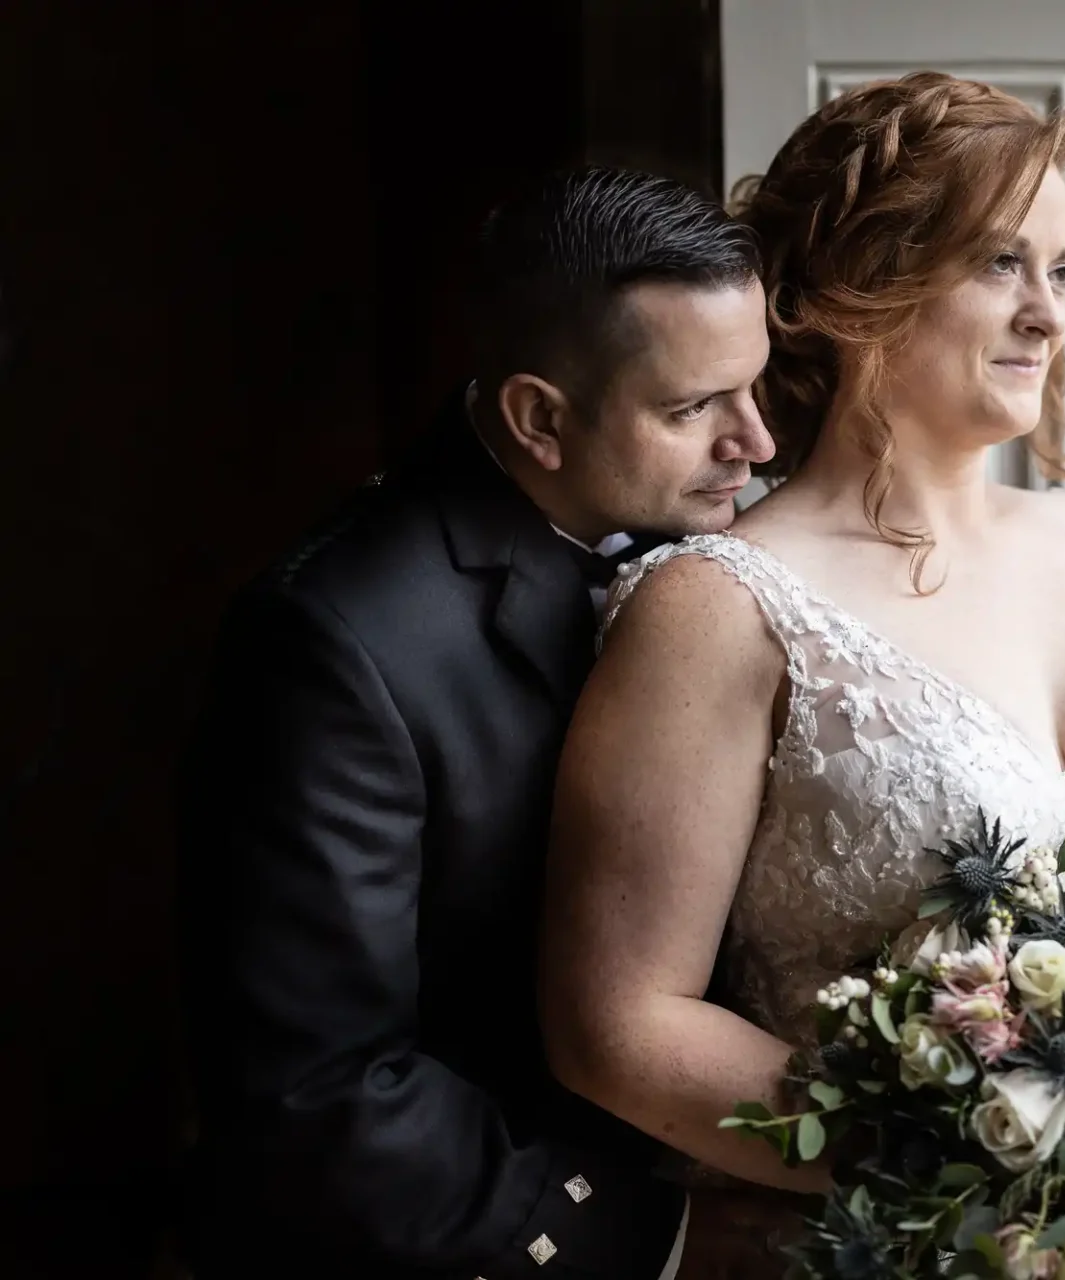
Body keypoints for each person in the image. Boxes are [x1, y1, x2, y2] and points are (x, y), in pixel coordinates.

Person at [541, 74, 1065, 1276]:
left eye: (1062, 270)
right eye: (998, 263)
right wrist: (983, 1141)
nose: (1046, 314)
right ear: (849, 290)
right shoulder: (720, 605)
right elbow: (615, 1023)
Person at [174, 168, 774, 1280]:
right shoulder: (332, 640)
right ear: (539, 417)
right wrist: (657, 1235)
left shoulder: (737, 542)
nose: (759, 440)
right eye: (695, 408)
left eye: (755, 388)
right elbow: (321, 1086)